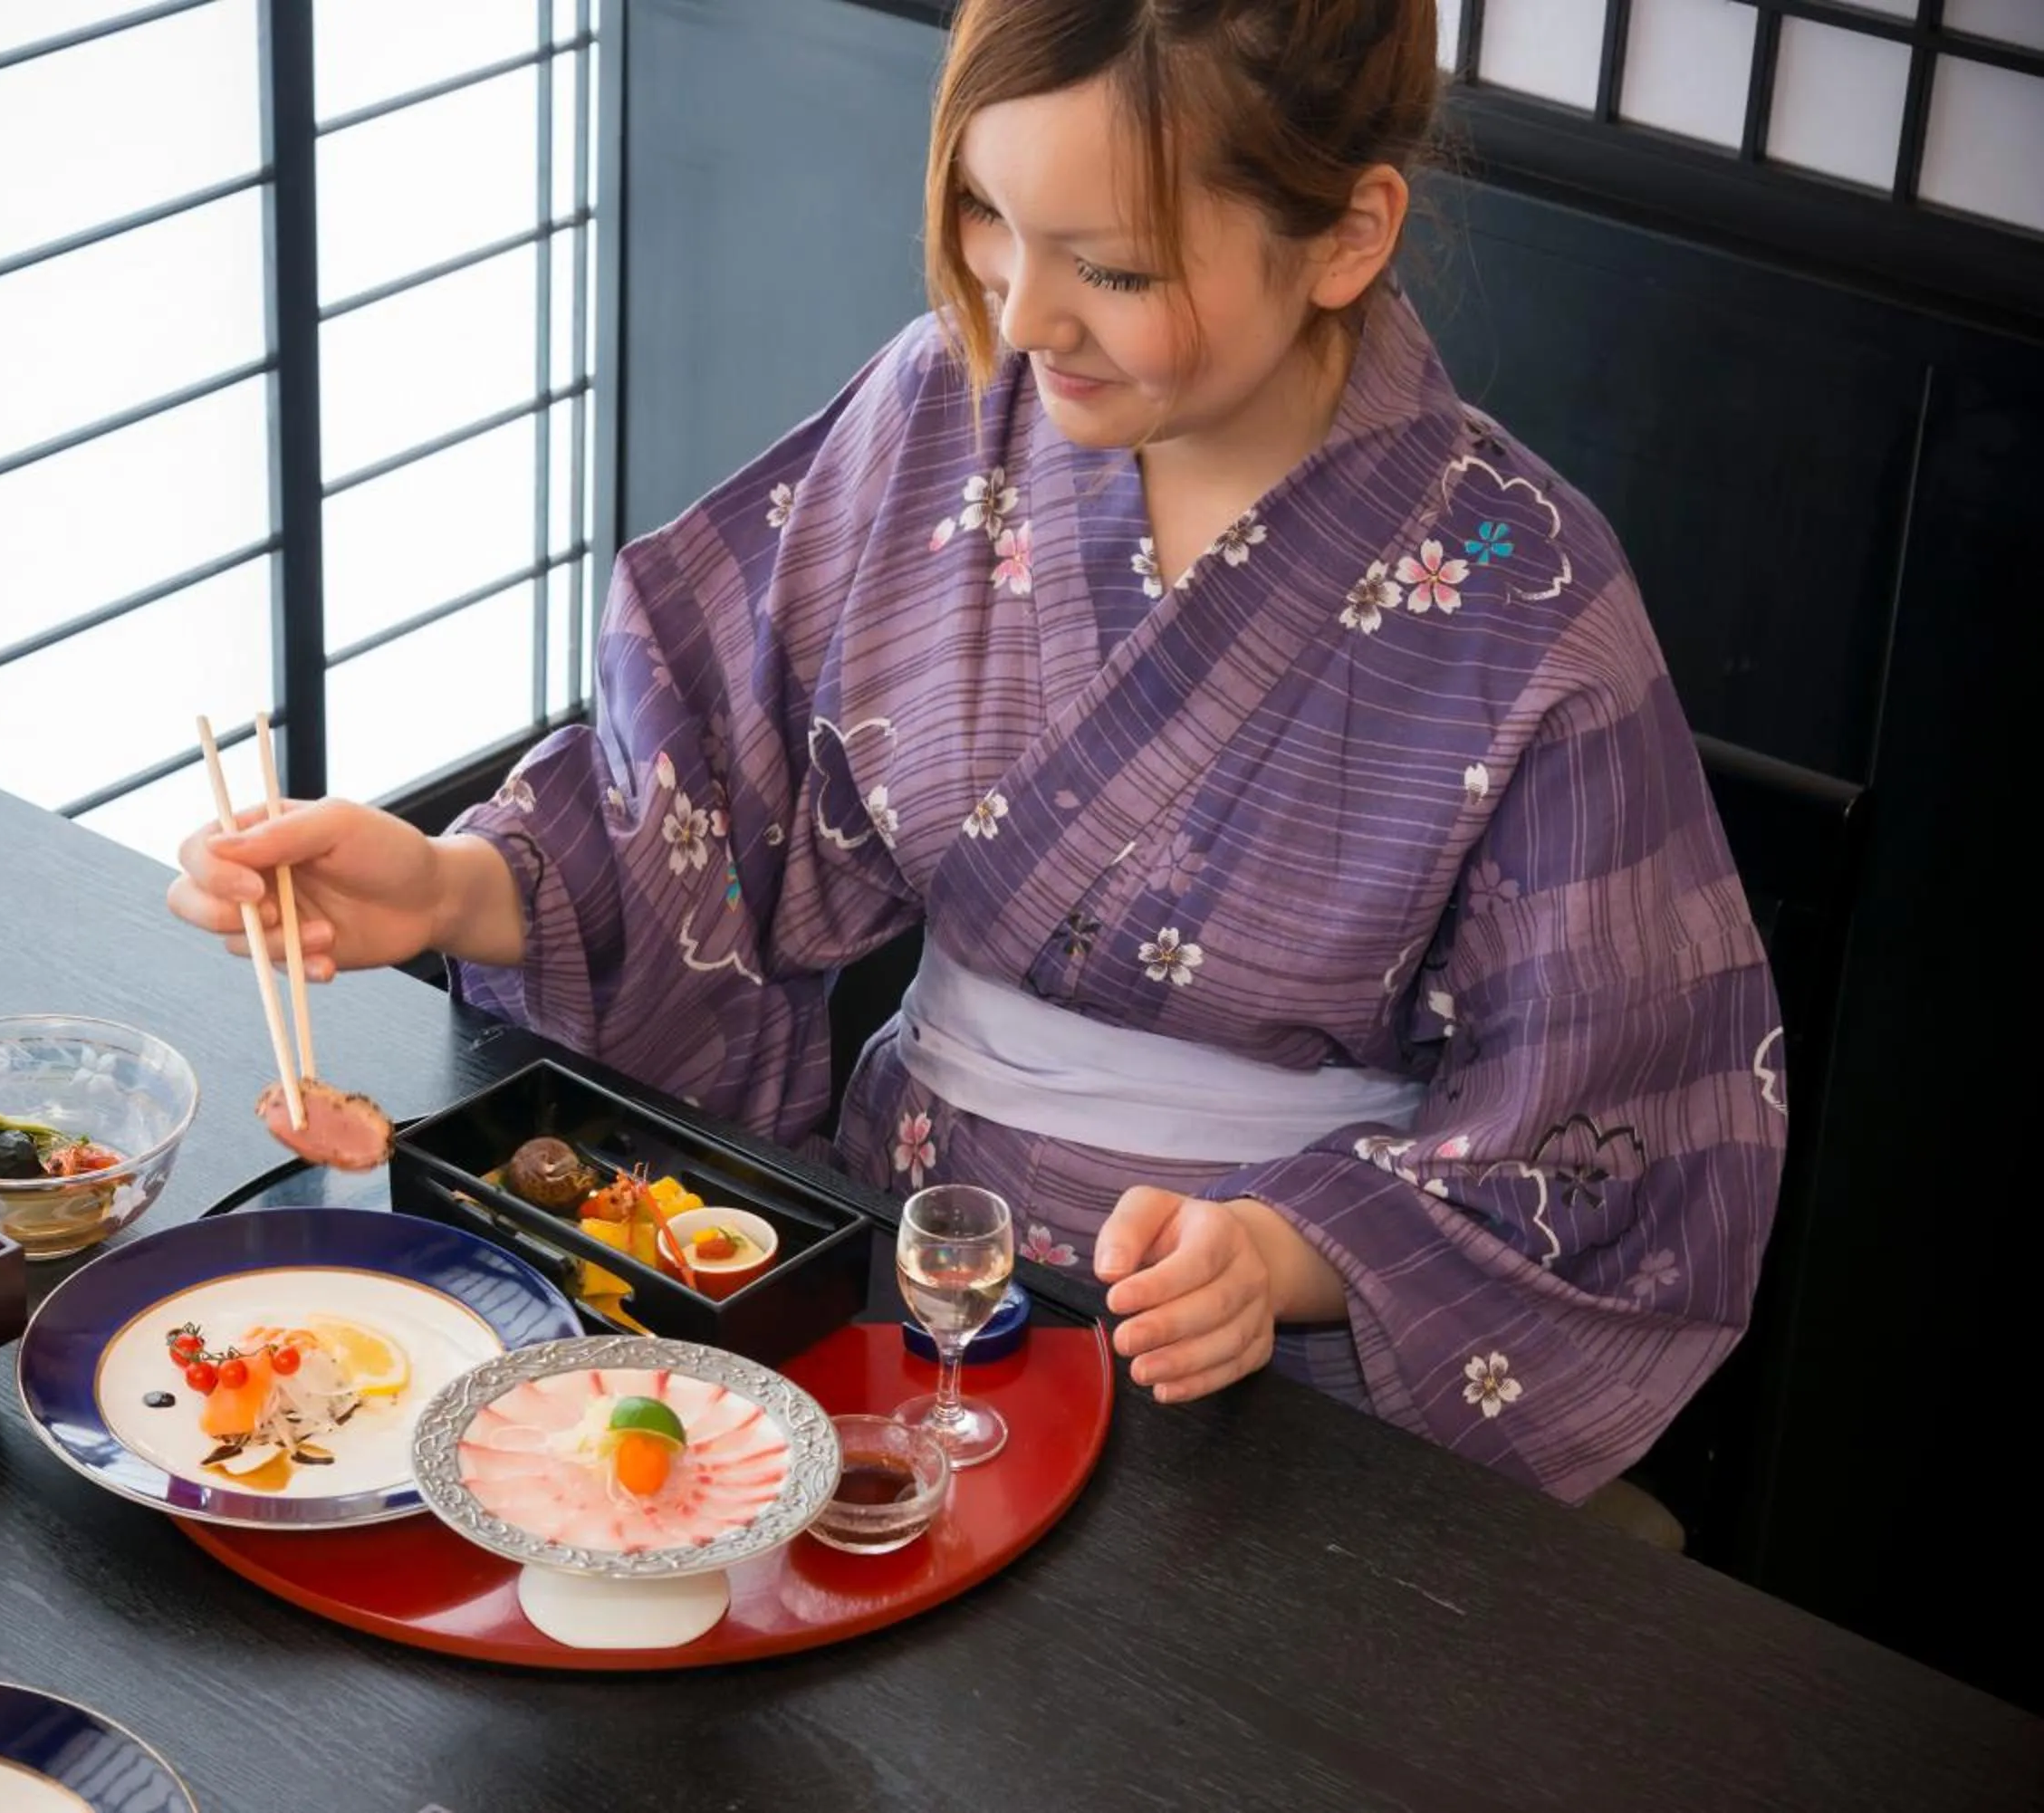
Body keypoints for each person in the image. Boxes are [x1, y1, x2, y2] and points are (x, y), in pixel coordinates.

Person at [168, 0, 1785, 1505]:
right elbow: (709, 801)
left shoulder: (1527, 598)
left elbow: (1602, 1128)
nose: (1021, 312)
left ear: (1349, 234)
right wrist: (453, 888)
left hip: (1260, 1400)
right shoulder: (946, 408)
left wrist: (1287, 1257)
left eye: (1115, 270)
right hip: (885, 1276)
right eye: (985, 216)